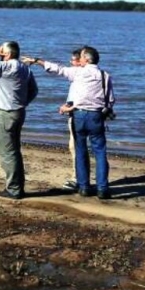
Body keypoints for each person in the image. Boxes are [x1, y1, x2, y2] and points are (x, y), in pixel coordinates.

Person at [22, 46, 115, 200]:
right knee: (100, 152)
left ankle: (84, 187)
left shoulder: (78, 72)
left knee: (80, 151)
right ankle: (103, 189)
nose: (79, 59)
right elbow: (110, 100)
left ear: (86, 59)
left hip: (79, 115)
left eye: (82, 56)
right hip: (96, 116)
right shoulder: (105, 75)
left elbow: (57, 69)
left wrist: (37, 61)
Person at [0, 41, 38, 200]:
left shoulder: (5, 67)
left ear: (7, 54)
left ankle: (13, 189)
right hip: (19, 112)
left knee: (7, 152)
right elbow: (34, 90)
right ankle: (17, 186)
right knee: (14, 150)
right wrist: (23, 102)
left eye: (2, 51)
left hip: (6, 113)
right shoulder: (25, 68)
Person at [62, 48, 85, 192]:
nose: (70, 63)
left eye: (72, 60)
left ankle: (78, 178)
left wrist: (70, 107)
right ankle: (82, 179)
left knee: (75, 147)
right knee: (95, 149)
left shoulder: (79, 75)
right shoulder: (100, 75)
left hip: (78, 115)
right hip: (91, 116)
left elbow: (82, 98)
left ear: (80, 61)